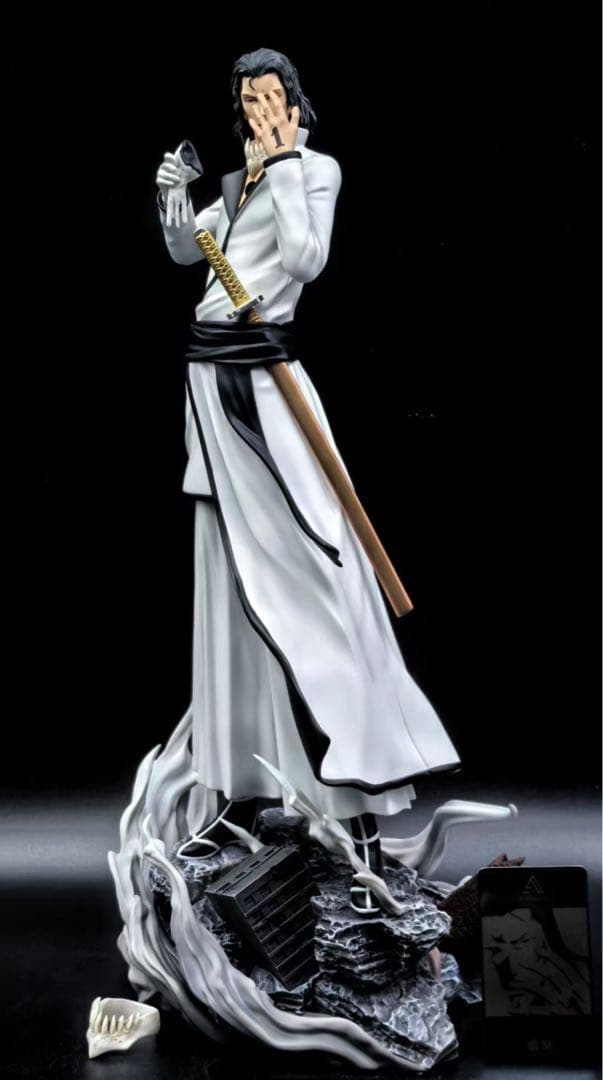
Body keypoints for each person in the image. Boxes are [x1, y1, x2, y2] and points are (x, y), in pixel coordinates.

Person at [155, 47, 460, 913]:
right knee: (228, 590)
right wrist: (174, 193)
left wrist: (286, 162)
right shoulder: (235, 182)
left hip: (266, 391)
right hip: (209, 391)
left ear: (292, 101)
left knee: (315, 574)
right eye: (247, 98)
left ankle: (358, 801)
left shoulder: (311, 171)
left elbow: (306, 258)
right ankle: (241, 789)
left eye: (271, 95)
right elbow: (187, 253)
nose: (259, 109)